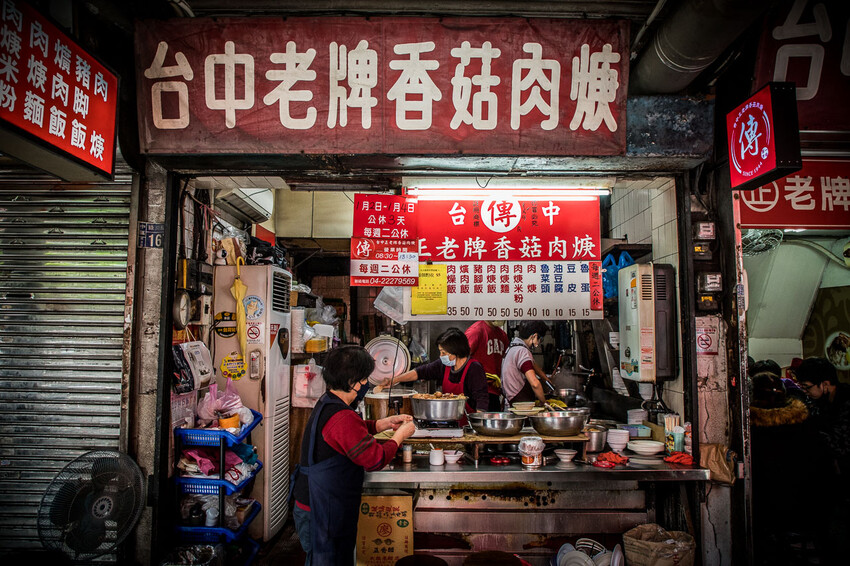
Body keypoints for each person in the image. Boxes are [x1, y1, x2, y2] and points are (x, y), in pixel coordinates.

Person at [291, 345, 416, 566]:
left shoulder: (328, 401)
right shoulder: (341, 417)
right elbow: (374, 458)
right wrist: (399, 436)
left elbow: (349, 433)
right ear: (352, 382)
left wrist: (380, 424)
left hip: (316, 503)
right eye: (364, 378)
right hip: (322, 511)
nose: (366, 384)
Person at [748, 372, 833, 565]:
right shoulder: (805, 422)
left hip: (771, 513)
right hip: (809, 507)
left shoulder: (753, 430)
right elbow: (823, 466)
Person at [382, 328, 489, 417]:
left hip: (468, 425)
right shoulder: (444, 365)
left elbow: (481, 400)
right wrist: (394, 380)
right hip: (448, 421)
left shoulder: (474, 368)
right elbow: (420, 372)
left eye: (443, 352)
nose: (441, 356)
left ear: (455, 351)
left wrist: (477, 431)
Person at [501, 321, 553, 406]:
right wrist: (544, 402)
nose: (539, 343)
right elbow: (535, 384)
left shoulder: (513, 348)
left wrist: (546, 379)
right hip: (520, 406)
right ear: (535, 336)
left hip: (512, 402)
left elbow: (532, 365)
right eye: (540, 339)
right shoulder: (522, 352)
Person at [465, 320, 509, 412]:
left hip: (494, 392)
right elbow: (462, 359)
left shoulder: (502, 335)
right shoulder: (475, 331)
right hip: (476, 393)